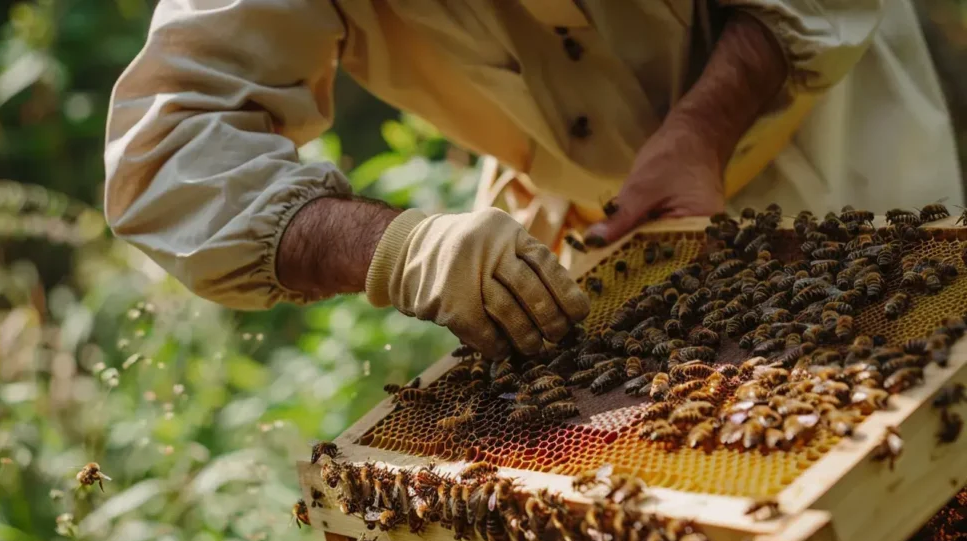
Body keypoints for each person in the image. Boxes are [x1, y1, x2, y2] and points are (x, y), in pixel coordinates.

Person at [104, 0, 962, 359]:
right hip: (583, 221)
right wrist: (394, 245)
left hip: (818, 118)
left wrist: (703, 123)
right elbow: (170, 149)